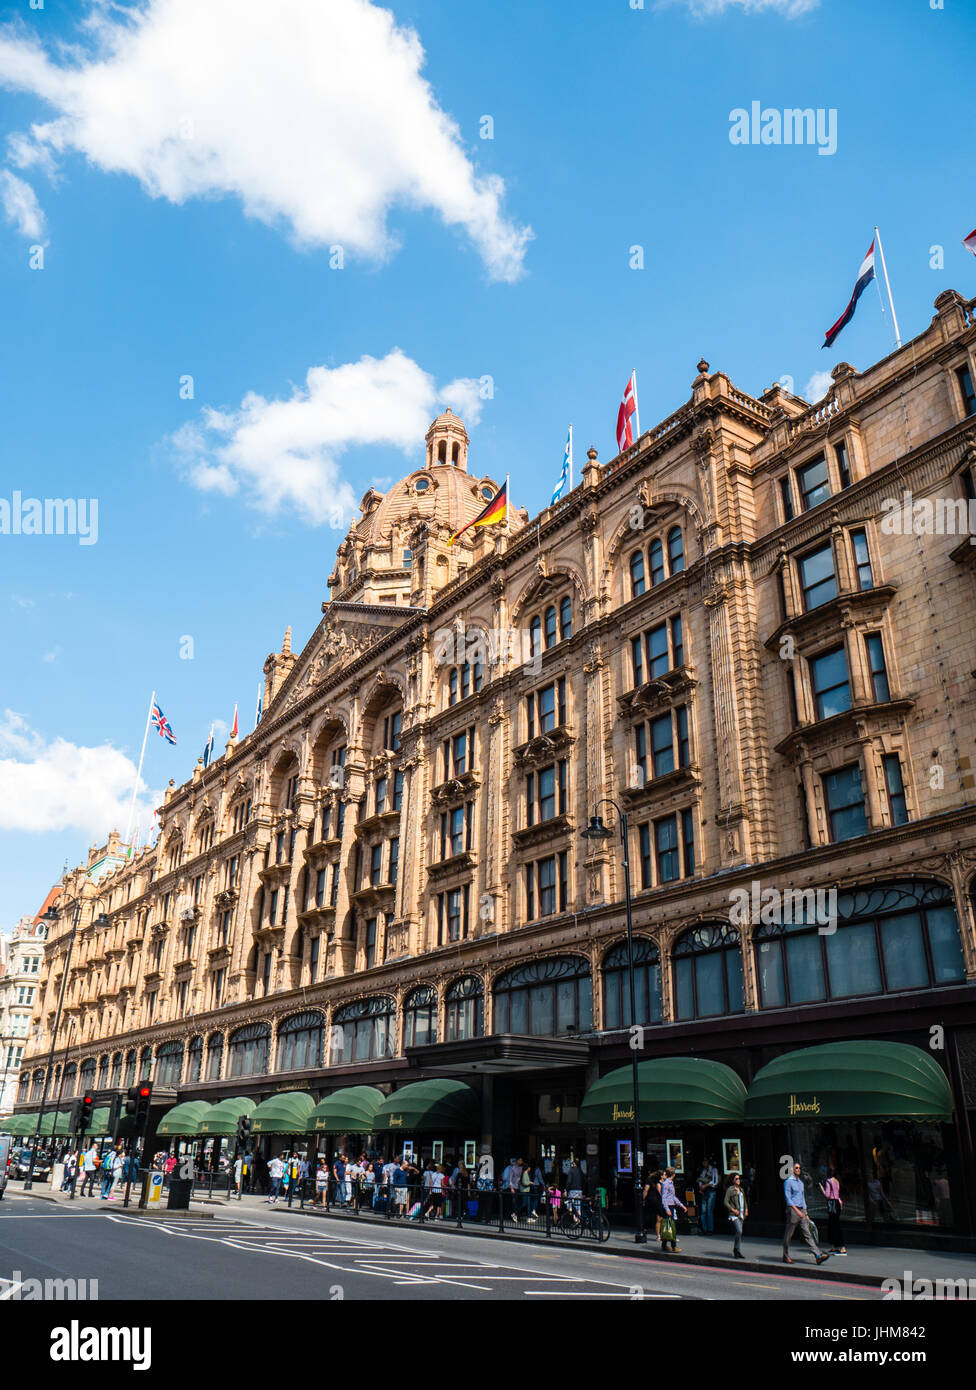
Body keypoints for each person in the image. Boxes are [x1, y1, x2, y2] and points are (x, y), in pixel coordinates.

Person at [783, 1162, 830, 1265]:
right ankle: (785, 1255)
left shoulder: (800, 1183)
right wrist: (797, 1211)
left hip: (802, 1211)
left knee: (808, 1234)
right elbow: (788, 1199)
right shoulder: (788, 1182)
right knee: (789, 1235)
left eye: (799, 1168)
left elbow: (802, 1198)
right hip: (793, 1210)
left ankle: (818, 1255)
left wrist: (806, 1212)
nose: (798, 1170)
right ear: (792, 1169)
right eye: (796, 1168)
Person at [819, 1164, 847, 1255]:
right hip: (837, 1204)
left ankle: (842, 1247)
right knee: (834, 1224)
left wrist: (822, 1188)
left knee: (833, 1226)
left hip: (832, 1204)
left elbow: (827, 1195)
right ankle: (834, 1246)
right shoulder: (837, 1181)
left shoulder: (828, 1181)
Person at [659, 1168, 686, 1252]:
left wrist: (681, 1205)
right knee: (671, 1226)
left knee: (669, 1226)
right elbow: (663, 1198)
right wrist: (667, 1209)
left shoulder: (670, 1183)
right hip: (668, 1207)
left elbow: (672, 1196)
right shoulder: (666, 1184)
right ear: (673, 1174)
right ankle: (674, 1247)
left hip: (671, 1206)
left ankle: (664, 1245)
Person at [724, 1173, 748, 1258]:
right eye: (736, 1179)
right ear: (733, 1180)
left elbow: (744, 1200)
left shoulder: (741, 1189)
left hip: (741, 1214)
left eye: (739, 1179)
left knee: (739, 1233)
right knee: (739, 1231)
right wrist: (733, 1209)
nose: (738, 1180)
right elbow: (725, 1202)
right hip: (734, 1214)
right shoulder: (730, 1190)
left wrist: (746, 1209)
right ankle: (736, 1249)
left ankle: (737, 1250)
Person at [642, 1170, 666, 1241]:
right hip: (654, 1201)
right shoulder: (653, 1181)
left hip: (651, 1200)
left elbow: (646, 1190)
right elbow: (646, 1190)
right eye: (664, 1174)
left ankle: (645, 1232)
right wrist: (643, 1199)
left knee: (648, 1216)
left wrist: (643, 1199)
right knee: (659, 1215)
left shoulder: (652, 1180)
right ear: (660, 1175)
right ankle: (658, 1234)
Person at [697, 1157, 718, 1234]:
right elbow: (700, 1179)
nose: (704, 1163)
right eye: (703, 1162)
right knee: (703, 1210)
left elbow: (715, 1182)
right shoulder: (703, 1171)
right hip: (704, 1191)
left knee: (709, 1210)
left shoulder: (713, 1170)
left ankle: (710, 1229)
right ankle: (704, 1229)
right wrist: (701, 1188)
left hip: (711, 1190)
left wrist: (705, 1185)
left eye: (705, 1161)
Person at [566, 1157, 584, 1223]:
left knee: (571, 1206)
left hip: (572, 1190)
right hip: (579, 1190)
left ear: (574, 1163)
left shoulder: (571, 1170)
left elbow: (569, 1181)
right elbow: (583, 1181)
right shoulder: (580, 1171)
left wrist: (566, 1189)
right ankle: (578, 1221)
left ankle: (575, 1220)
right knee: (578, 1206)